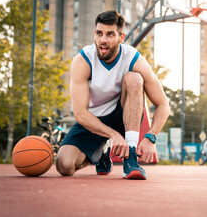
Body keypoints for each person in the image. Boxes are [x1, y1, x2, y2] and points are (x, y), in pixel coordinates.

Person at [56, 10, 170, 180]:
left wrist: (150, 137)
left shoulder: (133, 58)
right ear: (94, 34)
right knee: (64, 165)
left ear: (121, 37)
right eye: (99, 33)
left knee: (134, 78)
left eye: (110, 34)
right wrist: (113, 135)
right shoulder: (83, 61)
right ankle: (102, 151)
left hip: (122, 114)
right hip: (94, 119)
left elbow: (163, 104)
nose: (103, 40)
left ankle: (131, 157)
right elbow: (80, 113)